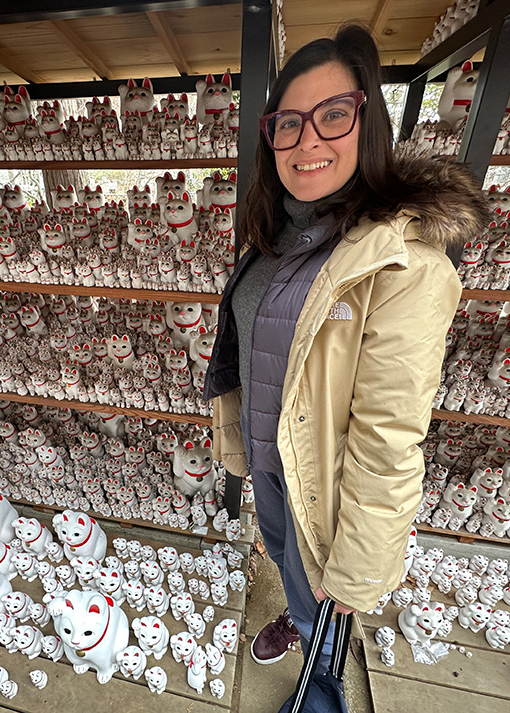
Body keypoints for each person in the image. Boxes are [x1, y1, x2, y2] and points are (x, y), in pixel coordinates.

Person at [202, 23, 488, 713]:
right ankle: (306, 621)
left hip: (326, 487)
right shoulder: (281, 230)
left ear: (369, 122)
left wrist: (358, 566)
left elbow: (390, 433)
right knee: (288, 564)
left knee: (326, 595)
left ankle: (321, 679)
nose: (308, 141)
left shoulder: (403, 264)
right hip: (278, 464)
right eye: (288, 123)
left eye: (333, 116)